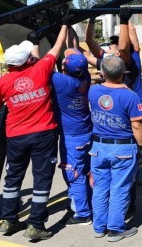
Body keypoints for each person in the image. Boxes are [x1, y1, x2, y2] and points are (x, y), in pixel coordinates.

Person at [0, 18, 70, 241]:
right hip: (43, 133)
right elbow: (56, 47)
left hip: (15, 135)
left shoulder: (1, 82)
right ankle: (35, 224)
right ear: (28, 60)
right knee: (42, 179)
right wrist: (63, 24)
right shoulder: (41, 70)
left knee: (13, 177)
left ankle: (8, 220)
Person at [88, 55, 142, 241]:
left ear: (102, 73)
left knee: (100, 188)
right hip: (122, 148)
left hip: (98, 147)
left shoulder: (93, 91)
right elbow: (137, 125)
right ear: (123, 73)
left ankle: (99, 227)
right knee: (120, 188)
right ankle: (115, 228)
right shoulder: (130, 96)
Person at [51, 49, 93, 226]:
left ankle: (82, 213)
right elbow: (72, 53)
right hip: (86, 132)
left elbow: (41, 66)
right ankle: (86, 203)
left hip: (72, 136)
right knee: (86, 171)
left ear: (64, 68)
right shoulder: (86, 77)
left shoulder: (62, 81)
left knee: (74, 174)